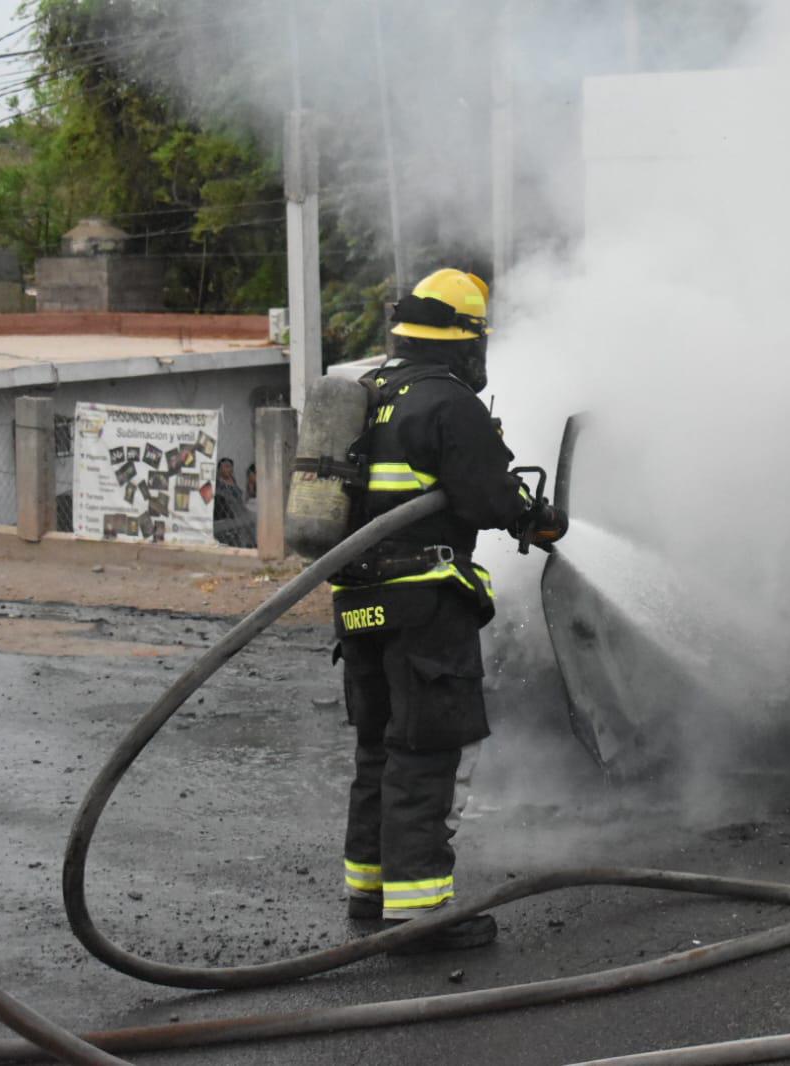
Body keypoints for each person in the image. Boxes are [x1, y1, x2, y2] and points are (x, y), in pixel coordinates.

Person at [331, 267, 567, 954]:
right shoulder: (446, 401)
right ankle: (421, 914)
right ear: (465, 339)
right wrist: (541, 520)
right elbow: (492, 499)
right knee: (425, 748)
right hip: (423, 605)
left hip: (358, 601)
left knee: (378, 746)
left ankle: (370, 895)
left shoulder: (367, 394)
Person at [213, 458, 252, 547]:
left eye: (231, 467)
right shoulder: (218, 483)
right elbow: (222, 497)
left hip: (239, 510)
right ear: (219, 469)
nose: (229, 469)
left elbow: (240, 496)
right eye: (226, 466)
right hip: (228, 512)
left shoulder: (232, 481)